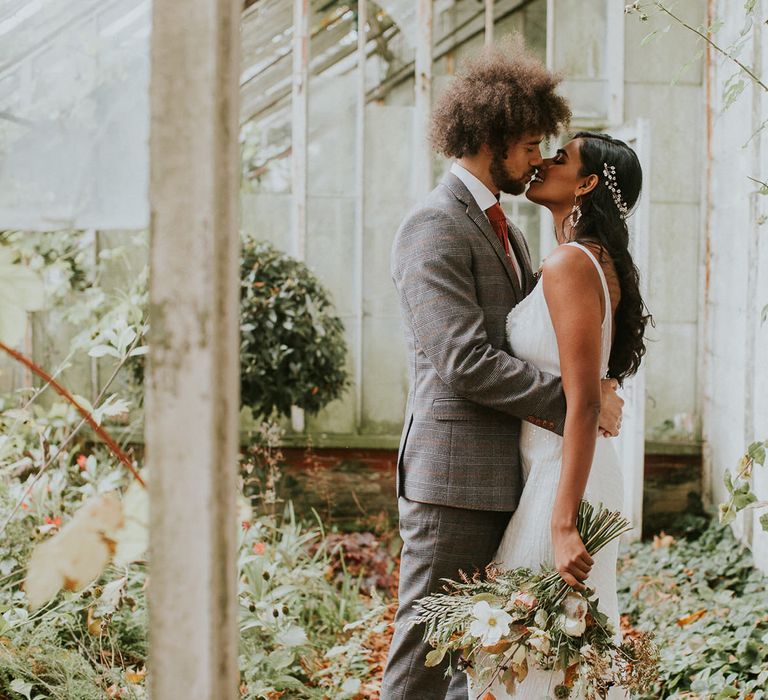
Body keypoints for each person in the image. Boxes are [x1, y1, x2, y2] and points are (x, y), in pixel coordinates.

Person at [380, 38, 625, 700]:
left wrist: (589, 392)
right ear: (492, 137)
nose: (536, 158)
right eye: (528, 145)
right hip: (452, 481)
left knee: (475, 658)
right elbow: (464, 360)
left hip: (509, 478)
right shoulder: (433, 225)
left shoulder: (509, 231)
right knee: (423, 658)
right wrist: (577, 401)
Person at [468, 133, 650, 699]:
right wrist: (602, 385)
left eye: (562, 158)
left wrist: (564, 521)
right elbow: (592, 374)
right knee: (556, 657)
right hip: (570, 469)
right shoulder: (592, 260)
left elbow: (586, 399)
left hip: (564, 478)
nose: (544, 161)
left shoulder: (571, 262)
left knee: (516, 656)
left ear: (588, 183)